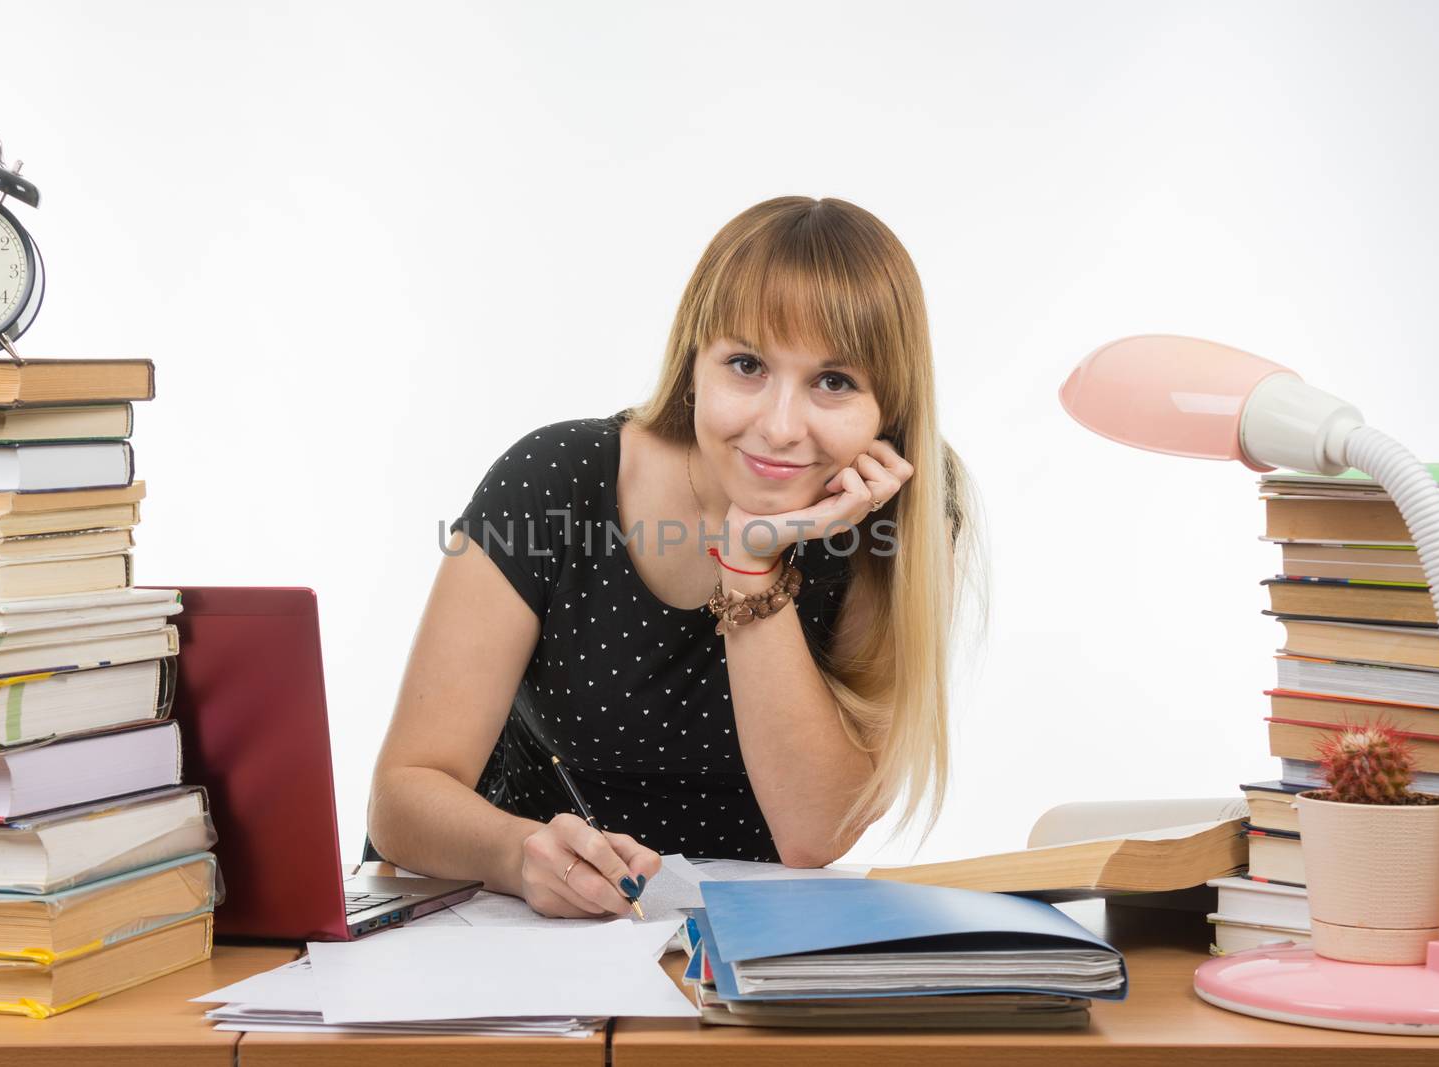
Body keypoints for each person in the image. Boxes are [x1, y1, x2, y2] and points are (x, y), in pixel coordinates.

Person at [368, 196, 981, 919]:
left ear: (891, 407)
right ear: (695, 362)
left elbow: (814, 833)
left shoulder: (900, 516)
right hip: (522, 927)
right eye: (747, 364)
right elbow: (402, 795)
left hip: (745, 952)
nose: (780, 426)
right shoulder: (555, 479)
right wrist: (515, 851)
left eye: (834, 381)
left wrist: (753, 560)